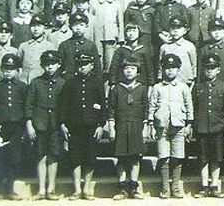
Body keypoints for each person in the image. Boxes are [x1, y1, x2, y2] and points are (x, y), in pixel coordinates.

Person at [58, 52, 106, 199]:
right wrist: (62, 124)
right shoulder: (70, 83)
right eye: (79, 65)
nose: (82, 68)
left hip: (91, 126)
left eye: (85, 64)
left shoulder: (97, 82)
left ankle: (86, 189)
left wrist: (101, 125)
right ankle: (77, 189)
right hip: (74, 126)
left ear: (91, 66)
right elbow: (63, 105)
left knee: (90, 157)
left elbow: (103, 104)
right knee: (75, 157)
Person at [149, 52, 194, 199]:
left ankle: (175, 187)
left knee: (177, 156)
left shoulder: (183, 87)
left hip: (178, 125)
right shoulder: (157, 87)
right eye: (167, 68)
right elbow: (152, 105)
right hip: (161, 125)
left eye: (173, 68)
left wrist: (189, 124)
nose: (170, 70)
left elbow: (189, 106)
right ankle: (164, 188)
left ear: (178, 69)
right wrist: (150, 122)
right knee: (164, 156)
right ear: (162, 69)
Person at [25, 49, 66, 200]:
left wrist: (63, 124)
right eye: (47, 64)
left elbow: (66, 105)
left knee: (53, 156)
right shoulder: (36, 83)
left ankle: (51, 189)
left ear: (59, 65)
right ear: (42, 65)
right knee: (41, 156)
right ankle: (41, 189)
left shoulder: (63, 83)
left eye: (53, 64)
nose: (50, 67)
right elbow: (29, 105)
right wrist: (29, 124)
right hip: (39, 124)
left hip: (56, 124)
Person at [0, 53, 26, 200]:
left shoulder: (22, 87)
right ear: (1, 69)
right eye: (6, 68)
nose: (8, 71)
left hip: (16, 127)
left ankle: (9, 189)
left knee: (14, 159)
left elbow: (27, 108)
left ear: (17, 70)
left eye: (12, 68)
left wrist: (26, 127)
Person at [107, 57, 150, 200]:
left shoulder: (143, 88)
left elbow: (146, 109)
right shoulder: (116, 89)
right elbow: (111, 109)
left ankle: (133, 188)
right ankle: (122, 188)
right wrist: (112, 127)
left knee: (135, 158)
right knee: (121, 158)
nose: (129, 71)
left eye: (132, 68)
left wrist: (145, 128)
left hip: (136, 126)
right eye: (126, 68)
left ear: (138, 71)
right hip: (121, 125)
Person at [193, 55, 224, 198]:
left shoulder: (223, 86)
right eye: (207, 68)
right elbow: (194, 107)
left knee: (216, 158)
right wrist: (193, 125)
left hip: (218, 127)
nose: (209, 71)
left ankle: (215, 186)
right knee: (203, 158)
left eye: (213, 68)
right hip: (202, 127)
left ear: (218, 70)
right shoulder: (198, 87)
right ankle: (204, 186)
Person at [110, 21, 154, 88]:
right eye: (129, 31)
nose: (131, 33)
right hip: (124, 83)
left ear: (139, 32)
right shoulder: (121, 50)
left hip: (141, 83)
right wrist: (113, 82)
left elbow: (149, 68)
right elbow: (114, 67)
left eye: (134, 31)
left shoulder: (144, 49)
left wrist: (151, 84)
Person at [57, 13, 102, 78]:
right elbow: (59, 66)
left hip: (87, 81)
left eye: (81, 25)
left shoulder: (91, 45)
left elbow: (97, 67)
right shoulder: (64, 45)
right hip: (69, 80)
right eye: (75, 25)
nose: (78, 28)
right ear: (70, 27)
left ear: (86, 27)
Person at [197, 17, 224, 85]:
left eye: (219, 30)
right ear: (208, 32)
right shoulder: (203, 49)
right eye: (214, 30)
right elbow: (199, 70)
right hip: (206, 85)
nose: (217, 33)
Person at [16, 15, 55, 85]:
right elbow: (18, 66)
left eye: (39, 26)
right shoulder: (23, 46)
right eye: (33, 26)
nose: (36, 29)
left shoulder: (49, 46)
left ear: (44, 27)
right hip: (24, 82)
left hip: (42, 83)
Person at [158, 16, 197, 85]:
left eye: (178, 28)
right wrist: (160, 78)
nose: (175, 31)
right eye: (173, 28)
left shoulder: (190, 46)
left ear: (185, 30)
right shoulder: (164, 47)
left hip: (185, 81)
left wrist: (193, 79)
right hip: (168, 82)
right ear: (169, 30)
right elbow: (161, 65)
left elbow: (193, 65)